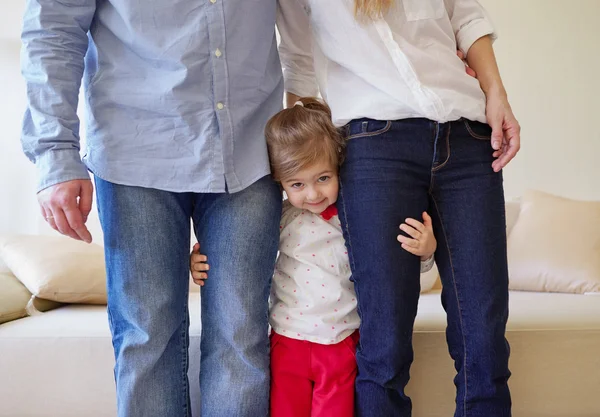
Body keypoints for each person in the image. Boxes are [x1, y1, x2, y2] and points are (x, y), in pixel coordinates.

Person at [20, 0, 288, 415]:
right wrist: (54, 152)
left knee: (242, 334)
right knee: (147, 335)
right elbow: (52, 26)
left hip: (251, 142)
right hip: (135, 147)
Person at [277, 1, 521, 416]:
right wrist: (298, 168)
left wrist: (496, 91)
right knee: (384, 343)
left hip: (467, 134)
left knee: (484, 338)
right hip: (373, 146)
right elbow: (299, 64)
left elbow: (464, 15)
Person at [190, 98, 437, 416]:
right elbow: (243, 258)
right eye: (297, 184)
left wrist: (426, 252)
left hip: (340, 345)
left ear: (339, 167)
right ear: (280, 182)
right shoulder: (280, 217)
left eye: (323, 178)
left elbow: (394, 272)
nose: (312, 194)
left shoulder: (354, 218)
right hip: (287, 344)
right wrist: (196, 264)